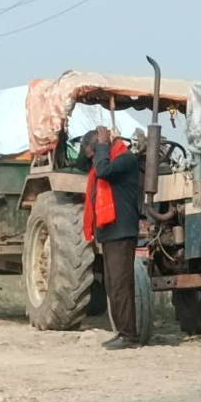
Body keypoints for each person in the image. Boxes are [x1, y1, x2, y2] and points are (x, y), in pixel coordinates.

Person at [77, 126, 143, 350]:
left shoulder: (125, 159)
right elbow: (81, 164)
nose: (93, 159)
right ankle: (122, 332)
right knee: (113, 285)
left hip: (121, 232)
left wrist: (103, 144)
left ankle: (129, 336)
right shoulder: (102, 161)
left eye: (95, 153)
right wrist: (96, 148)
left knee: (121, 285)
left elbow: (104, 170)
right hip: (109, 233)